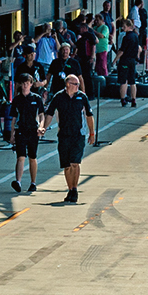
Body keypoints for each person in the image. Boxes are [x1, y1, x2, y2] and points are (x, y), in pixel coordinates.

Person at [43, 73, 96, 204]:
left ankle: (75, 189)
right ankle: (70, 188)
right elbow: (49, 113)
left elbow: (89, 115)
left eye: (78, 84)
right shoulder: (59, 97)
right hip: (64, 134)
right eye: (75, 84)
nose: (78, 86)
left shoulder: (82, 97)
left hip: (78, 134)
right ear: (68, 84)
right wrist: (43, 127)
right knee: (66, 165)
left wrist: (92, 133)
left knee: (75, 163)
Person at [10, 72, 44, 194]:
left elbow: (41, 115)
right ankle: (18, 181)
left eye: (27, 83)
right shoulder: (17, 100)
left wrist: (41, 126)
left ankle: (33, 182)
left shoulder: (36, 98)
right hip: (21, 130)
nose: (25, 86)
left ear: (31, 84)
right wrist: (12, 134)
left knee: (32, 157)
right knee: (20, 156)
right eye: (23, 84)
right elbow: (14, 118)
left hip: (33, 130)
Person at [115, 19, 141, 107]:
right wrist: (137, 57)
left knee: (123, 81)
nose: (123, 28)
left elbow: (122, 50)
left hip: (125, 60)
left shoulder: (126, 37)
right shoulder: (135, 36)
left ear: (129, 27)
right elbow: (138, 48)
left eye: (124, 26)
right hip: (132, 61)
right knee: (132, 81)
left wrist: (115, 60)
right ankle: (134, 100)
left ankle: (123, 100)